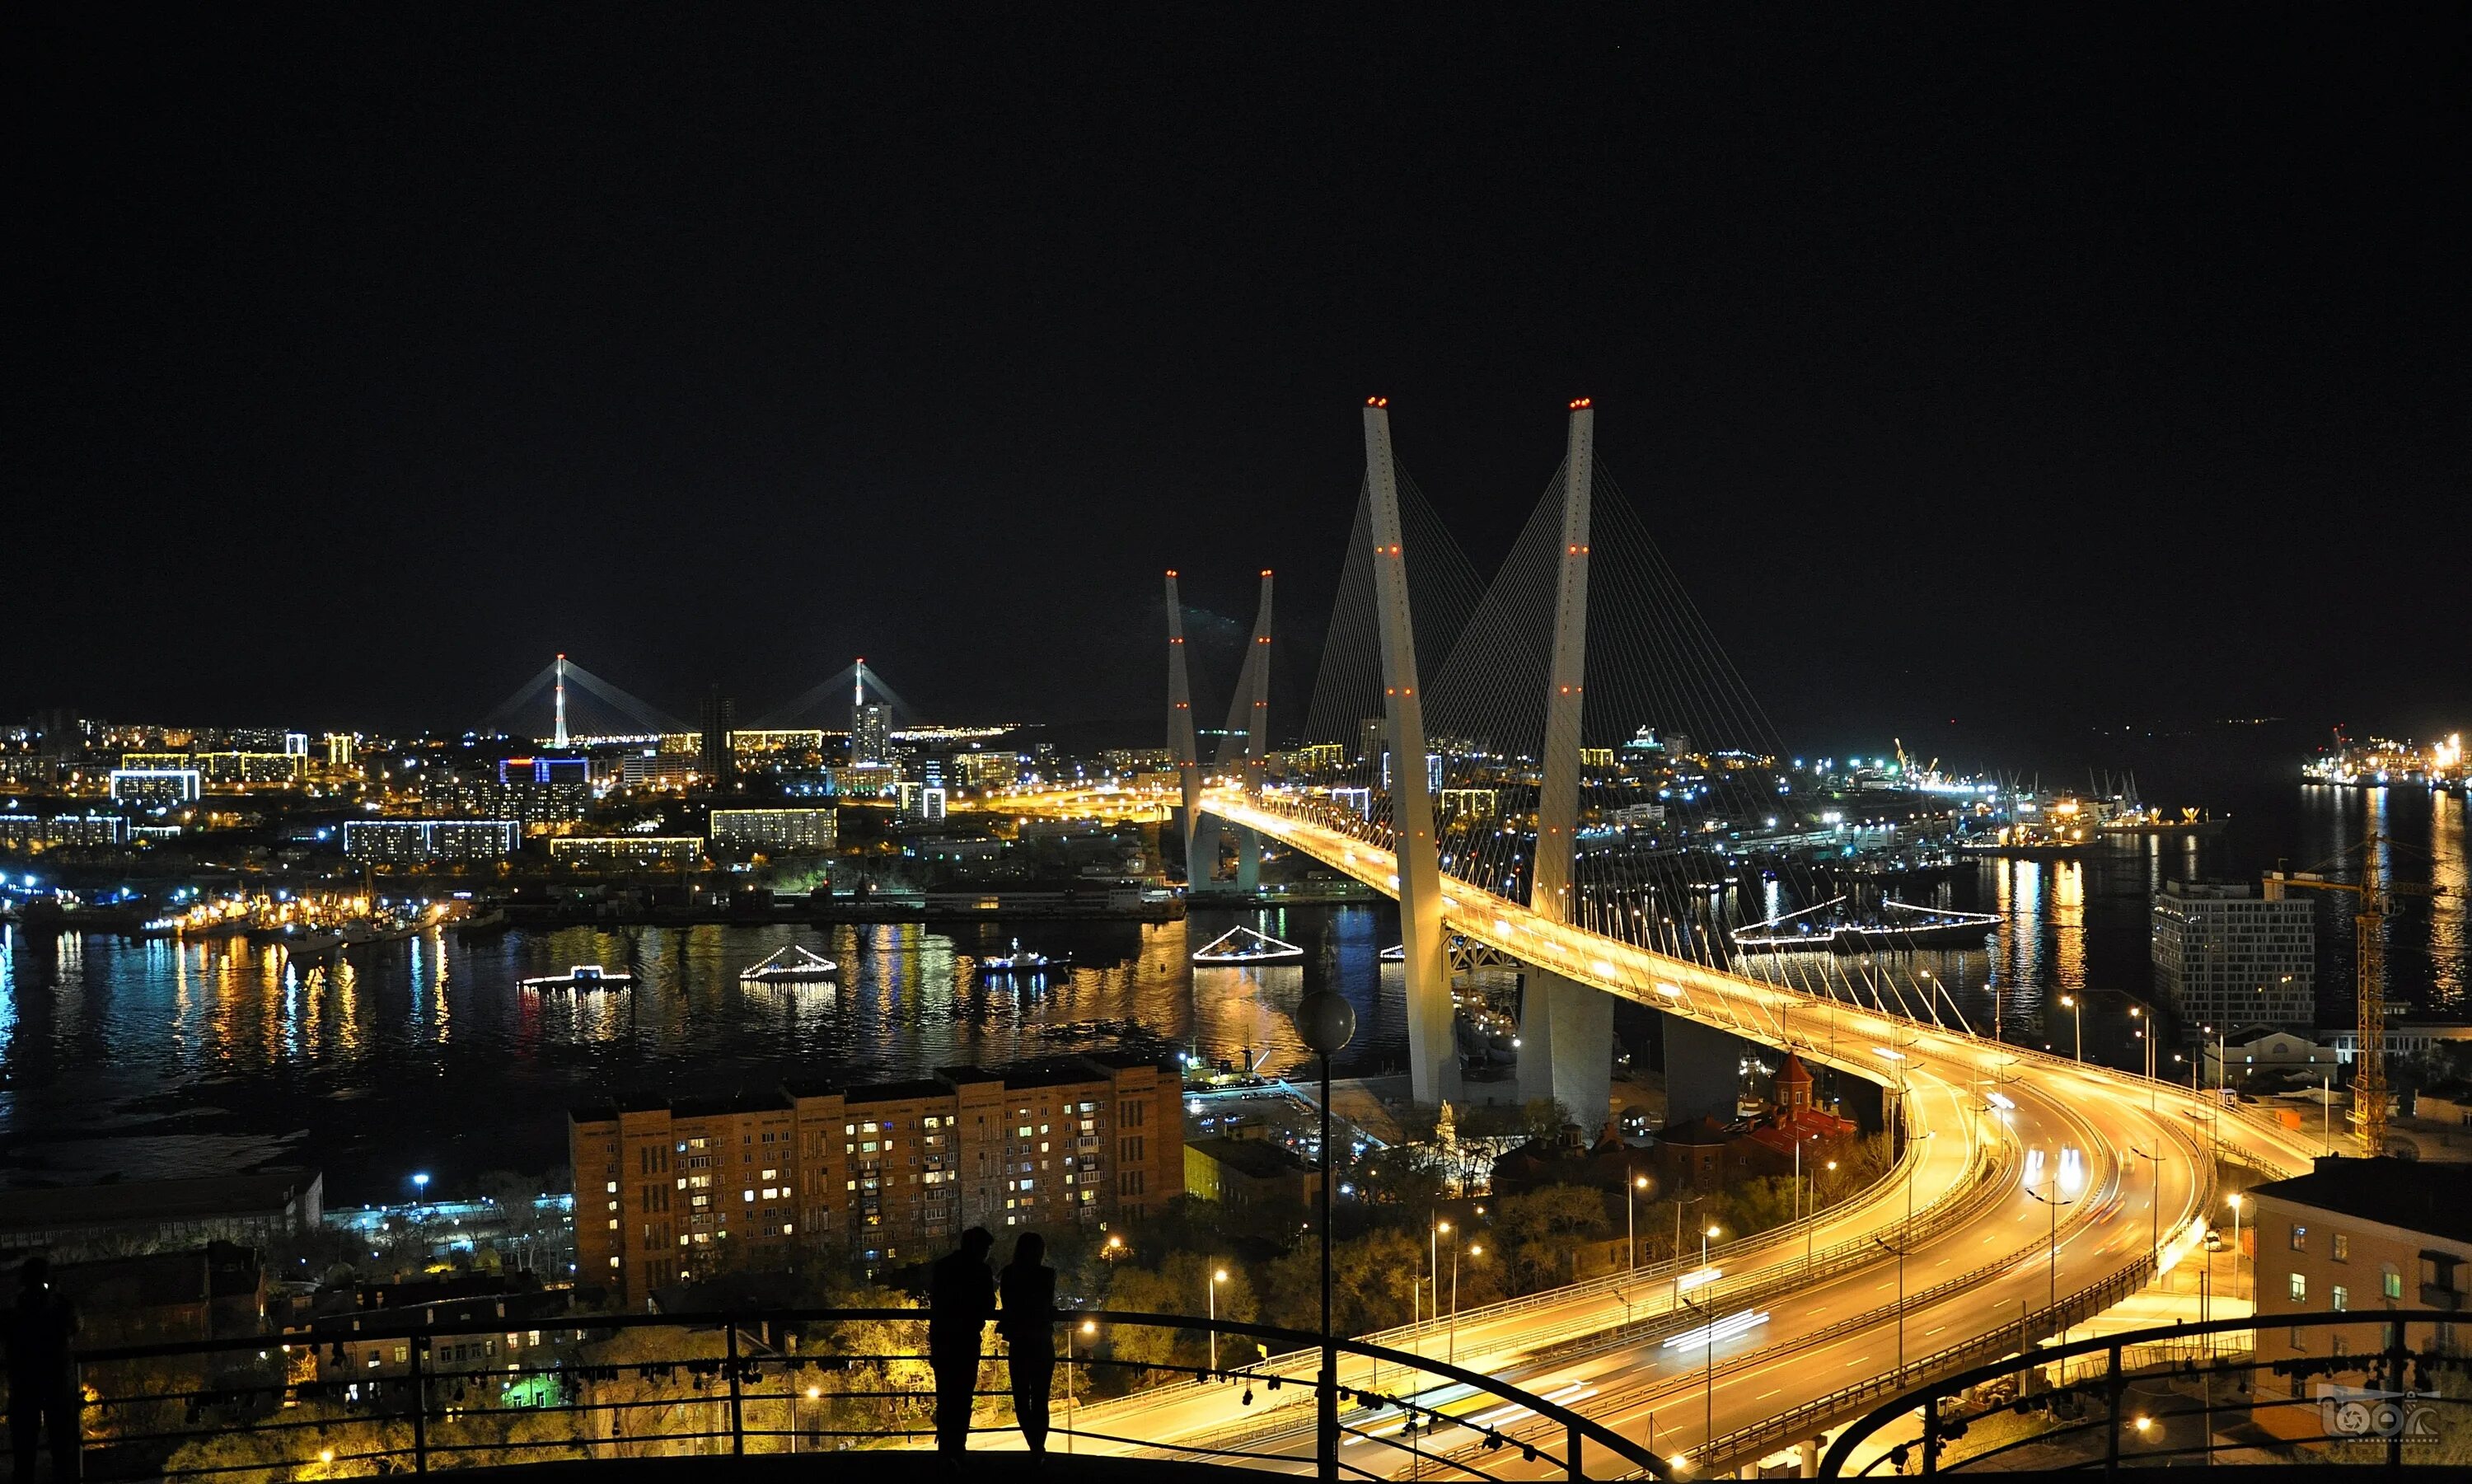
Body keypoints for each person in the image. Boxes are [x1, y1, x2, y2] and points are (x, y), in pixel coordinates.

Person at [7, 1256, 82, 1484]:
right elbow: (75, 1326)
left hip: (24, 1384)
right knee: (62, 1448)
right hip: (56, 1383)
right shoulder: (61, 1308)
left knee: (24, 1452)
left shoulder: (17, 1310)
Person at [925, 1228, 996, 1452]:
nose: (986, 1254)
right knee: (964, 1397)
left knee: (945, 1395)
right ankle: (958, 1448)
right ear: (979, 1248)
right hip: (966, 1340)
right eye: (985, 1249)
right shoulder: (981, 1271)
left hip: (943, 1339)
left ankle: (946, 1449)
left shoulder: (943, 1267)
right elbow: (989, 1306)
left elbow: (936, 1302)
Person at [997, 1233, 1059, 1454]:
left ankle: (1035, 1449)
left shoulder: (1009, 1275)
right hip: (1041, 1341)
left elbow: (1008, 1306)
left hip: (1019, 1343)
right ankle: (1038, 1449)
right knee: (1041, 1399)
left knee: (1022, 1399)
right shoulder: (1046, 1275)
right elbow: (1046, 1305)